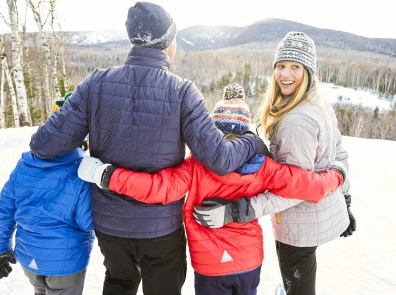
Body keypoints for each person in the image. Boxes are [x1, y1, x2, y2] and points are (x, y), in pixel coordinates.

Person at [29, 3, 265, 295]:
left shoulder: (95, 84)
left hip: (110, 225)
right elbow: (218, 158)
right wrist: (251, 141)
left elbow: (43, 145)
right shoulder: (182, 91)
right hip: (160, 227)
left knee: (119, 282)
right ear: (167, 43)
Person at [77, 83, 347, 295]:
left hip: (210, 265)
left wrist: (107, 174)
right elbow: (307, 186)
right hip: (249, 260)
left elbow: (158, 188)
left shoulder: (196, 166)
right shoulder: (264, 166)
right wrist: (337, 175)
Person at [193, 32, 357, 295]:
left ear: (309, 71)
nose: (285, 74)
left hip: (298, 224)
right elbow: (340, 155)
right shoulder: (317, 102)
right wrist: (345, 197)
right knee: (302, 277)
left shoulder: (297, 120)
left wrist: (237, 211)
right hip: (316, 215)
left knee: (299, 286)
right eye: (281, 66)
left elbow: (294, 189)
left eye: (295, 67)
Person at [0, 99, 93, 294]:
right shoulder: (82, 170)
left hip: (29, 256)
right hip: (65, 262)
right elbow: (86, 222)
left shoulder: (24, 165)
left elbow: (4, 210)